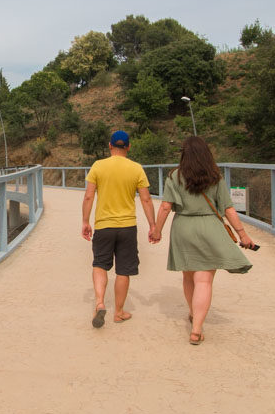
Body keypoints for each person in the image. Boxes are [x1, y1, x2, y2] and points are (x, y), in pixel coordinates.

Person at [149, 135, 255, 345]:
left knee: (189, 278)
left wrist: (157, 230)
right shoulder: (215, 177)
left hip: (183, 228)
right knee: (204, 280)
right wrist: (242, 234)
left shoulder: (174, 176)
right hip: (209, 228)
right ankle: (196, 329)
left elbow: (165, 207)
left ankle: (193, 312)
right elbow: (228, 208)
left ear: (184, 155)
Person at [81, 130, 156, 328]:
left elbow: (89, 196)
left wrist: (85, 221)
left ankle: (99, 303)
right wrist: (153, 225)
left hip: (104, 226)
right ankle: (119, 312)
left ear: (110, 146)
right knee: (124, 269)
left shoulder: (98, 166)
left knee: (100, 264)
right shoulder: (136, 168)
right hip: (127, 226)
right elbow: (146, 199)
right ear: (129, 147)